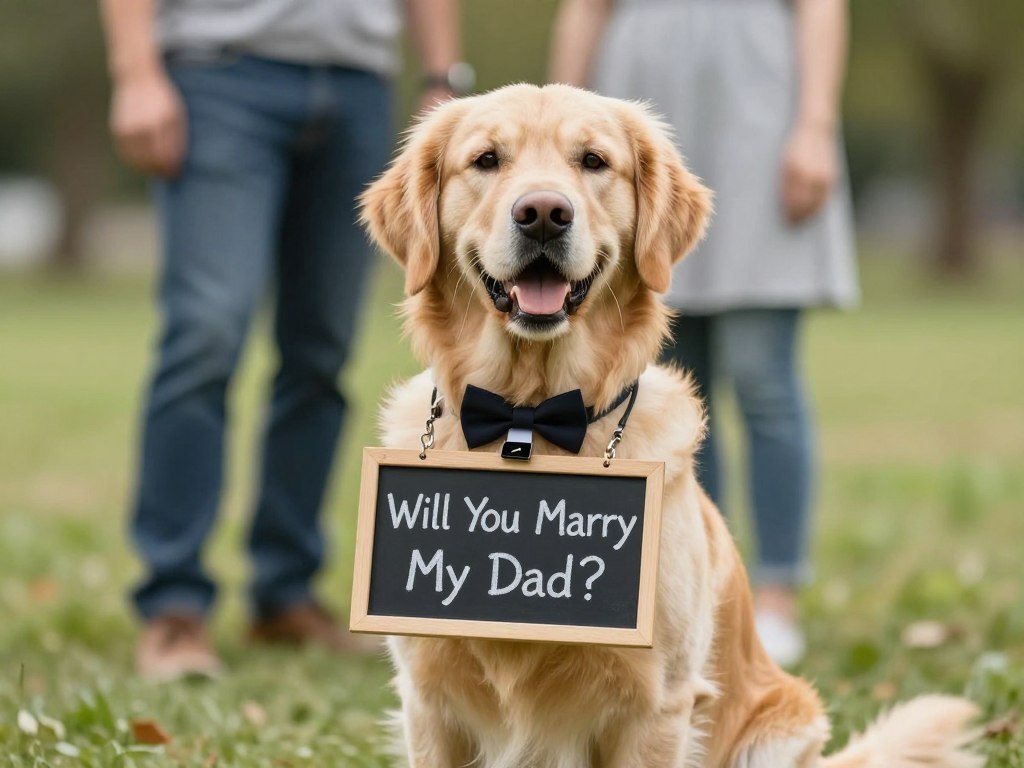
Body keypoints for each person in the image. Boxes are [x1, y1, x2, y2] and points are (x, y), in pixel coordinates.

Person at [98, 0, 469, 681]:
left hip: (360, 83)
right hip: (217, 76)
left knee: (322, 349)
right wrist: (136, 70)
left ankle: (286, 591)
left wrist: (442, 77)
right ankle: (175, 603)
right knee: (206, 334)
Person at [550, 0, 858, 666]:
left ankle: (775, 592)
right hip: (634, 113)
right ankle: (704, 588)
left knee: (761, 376)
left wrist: (814, 125)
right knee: (668, 385)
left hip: (760, 115)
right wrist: (557, 128)